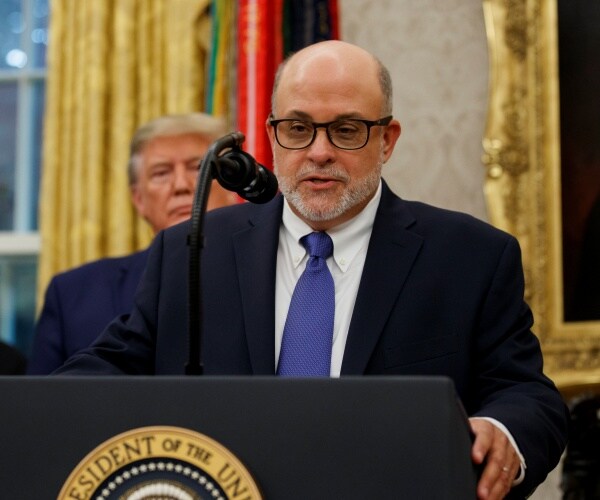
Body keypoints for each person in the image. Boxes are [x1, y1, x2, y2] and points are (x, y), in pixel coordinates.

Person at [55, 41, 568, 499]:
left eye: (346, 130)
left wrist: (504, 431)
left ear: (387, 140)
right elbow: (107, 372)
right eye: (298, 129)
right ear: (273, 137)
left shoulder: (469, 256)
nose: (318, 152)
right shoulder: (193, 250)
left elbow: (527, 394)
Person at [27, 113, 238, 374]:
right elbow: (40, 406)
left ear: (230, 189)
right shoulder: (72, 294)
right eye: (161, 173)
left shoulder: (265, 279)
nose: (181, 186)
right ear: (139, 199)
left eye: (198, 168)